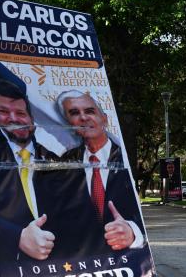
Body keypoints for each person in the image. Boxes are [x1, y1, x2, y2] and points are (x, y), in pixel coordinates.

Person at [50, 90, 144, 258]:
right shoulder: (64, 163)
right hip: (83, 261)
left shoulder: (126, 158)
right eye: (74, 113)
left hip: (128, 262)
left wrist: (132, 231)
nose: (83, 118)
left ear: (104, 119)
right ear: (68, 123)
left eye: (89, 111)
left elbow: (138, 213)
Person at [0, 79, 58, 262]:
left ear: (31, 117)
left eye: (20, 112)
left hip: (59, 259)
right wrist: (17, 236)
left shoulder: (54, 158)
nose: (13, 119)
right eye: (3, 111)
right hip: (6, 262)